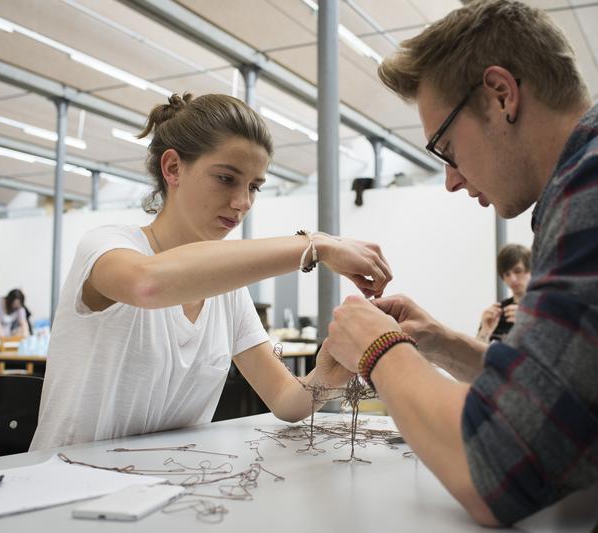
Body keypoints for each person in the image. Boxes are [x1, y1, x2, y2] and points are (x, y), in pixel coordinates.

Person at [322, 1, 598, 530]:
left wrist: (379, 348)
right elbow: (566, 397)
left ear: (500, 95)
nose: (450, 180)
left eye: (446, 148)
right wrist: (442, 344)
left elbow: (500, 467)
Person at [30, 93, 392, 450]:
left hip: (160, 488)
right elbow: (147, 285)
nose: (243, 203)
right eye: (226, 179)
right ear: (172, 168)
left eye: (254, 187)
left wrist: (330, 372)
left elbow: (284, 399)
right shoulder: (106, 246)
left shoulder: (226, 291)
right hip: (65, 484)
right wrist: (316, 245)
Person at [476, 244, 531, 342]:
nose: (512, 279)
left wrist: (528, 324)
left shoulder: (547, 309)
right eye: (507, 274)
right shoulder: (497, 313)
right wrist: (484, 332)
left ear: (531, 270)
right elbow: (475, 356)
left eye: (518, 271)